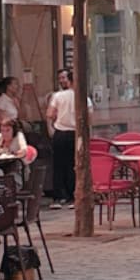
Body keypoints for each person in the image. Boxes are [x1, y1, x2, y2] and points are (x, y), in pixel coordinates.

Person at [46, 68, 76, 204]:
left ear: (68, 80)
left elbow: (50, 114)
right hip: (75, 134)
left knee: (58, 165)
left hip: (60, 132)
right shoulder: (83, 97)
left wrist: (59, 116)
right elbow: (89, 118)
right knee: (73, 165)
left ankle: (59, 195)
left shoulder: (57, 96)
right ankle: (72, 194)